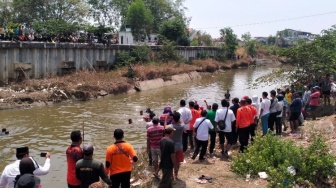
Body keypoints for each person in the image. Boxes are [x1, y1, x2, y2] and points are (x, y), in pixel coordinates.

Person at [165, 111, 184, 179]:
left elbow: (165, 128)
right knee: (178, 161)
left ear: (173, 118)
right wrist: (177, 117)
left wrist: (166, 119)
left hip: (171, 147)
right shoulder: (182, 126)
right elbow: (181, 122)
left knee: (171, 161)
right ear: (179, 119)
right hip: (179, 146)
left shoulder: (170, 126)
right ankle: (176, 174)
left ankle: (171, 176)